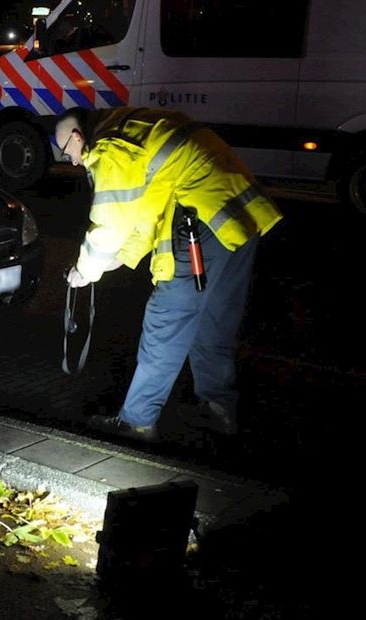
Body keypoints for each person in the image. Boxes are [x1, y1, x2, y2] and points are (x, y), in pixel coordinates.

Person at [55, 106, 282, 442]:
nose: (73, 162)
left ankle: (137, 422)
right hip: (237, 218)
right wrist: (117, 260)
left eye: (67, 153)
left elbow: (110, 223)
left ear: (76, 136)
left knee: (166, 319)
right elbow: (144, 210)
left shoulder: (110, 148)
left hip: (198, 226)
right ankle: (218, 410)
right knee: (213, 320)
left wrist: (86, 270)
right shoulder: (134, 126)